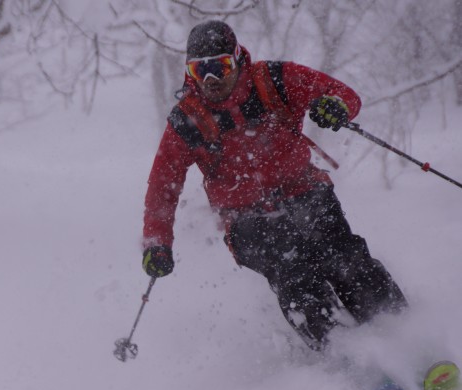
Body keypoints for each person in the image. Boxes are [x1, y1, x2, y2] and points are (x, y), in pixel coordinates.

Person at [141, 20, 407, 351]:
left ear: (237, 59)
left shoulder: (274, 80)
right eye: (200, 71)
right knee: (293, 271)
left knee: (344, 256)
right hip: (245, 219)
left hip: (306, 193)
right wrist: (157, 242)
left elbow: (341, 93)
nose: (211, 80)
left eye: (220, 67)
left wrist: (336, 107)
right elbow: (162, 186)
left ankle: (400, 328)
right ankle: (339, 347)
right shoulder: (187, 119)